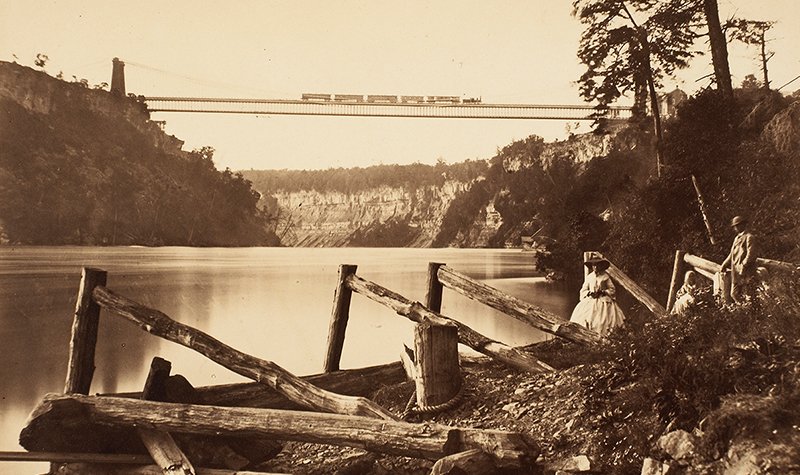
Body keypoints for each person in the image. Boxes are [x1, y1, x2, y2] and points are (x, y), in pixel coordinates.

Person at [569, 258, 625, 336]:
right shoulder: (589, 277)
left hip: (603, 299)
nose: (595, 267)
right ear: (592, 267)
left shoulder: (605, 276)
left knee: (603, 319)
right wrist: (589, 293)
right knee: (585, 316)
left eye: (597, 265)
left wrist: (603, 291)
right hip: (591, 299)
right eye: (594, 266)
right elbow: (583, 290)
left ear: (601, 266)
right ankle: (584, 334)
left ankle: (604, 335)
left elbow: (612, 289)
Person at [720, 215, 758, 304]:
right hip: (736, 272)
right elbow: (731, 254)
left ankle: (751, 311)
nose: (735, 228)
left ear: (743, 225)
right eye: (735, 226)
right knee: (734, 294)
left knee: (749, 294)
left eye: (737, 225)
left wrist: (744, 265)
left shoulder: (749, 237)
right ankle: (745, 309)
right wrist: (724, 264)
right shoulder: (736, 238)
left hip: (746, 271)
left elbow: (751, 254)